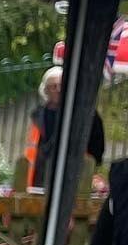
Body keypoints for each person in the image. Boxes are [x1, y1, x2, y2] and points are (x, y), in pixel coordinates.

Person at [26, 64, 105, 197]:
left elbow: (97, 146)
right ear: (45, 90)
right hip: (41, 178)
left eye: (61, 85)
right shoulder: (37, 116)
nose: (58, 89)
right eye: (53, 86)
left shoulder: (84, 114)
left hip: (73, 176)